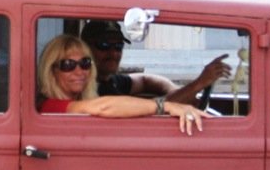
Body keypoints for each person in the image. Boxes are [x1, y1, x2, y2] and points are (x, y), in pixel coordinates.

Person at [35, 35, 203, 132]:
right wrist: (164, 106)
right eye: (68, 65)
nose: (79, 71)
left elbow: (145, 81)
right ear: (52, 71)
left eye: (85, 63)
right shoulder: (50, 106)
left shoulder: (81, 100)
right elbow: (103, 107)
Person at [80, 21, 230, 106]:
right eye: (104, 45)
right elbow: (153, 109)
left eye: (118, 46)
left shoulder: (110, 81)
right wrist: (199, 84)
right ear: (85, 48)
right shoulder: (86, 87)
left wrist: (173, 90)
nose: (113, 53)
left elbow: (146, 80)